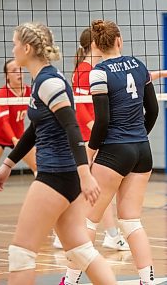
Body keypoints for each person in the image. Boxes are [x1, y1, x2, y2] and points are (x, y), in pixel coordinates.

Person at [0, 22, 116, 285]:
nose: (12, 49)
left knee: (21, 254)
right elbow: (35, 128)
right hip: (64, 175)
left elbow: (72, 126)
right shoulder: (44, 80)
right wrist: (8, 164)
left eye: (14, 43)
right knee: (81, 251)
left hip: (56, 175)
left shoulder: (48, 82)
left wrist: (85, 174)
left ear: (26, 47)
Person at [60, 19, 159, 285]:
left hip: (115, 150)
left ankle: (69, 281)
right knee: (131, 222)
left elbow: (101, 121)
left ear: (95, 45)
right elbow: (154, 110)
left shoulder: (98, 72)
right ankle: (147, 280)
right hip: (142, 150)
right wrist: (137, 137)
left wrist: (91, 152)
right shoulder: (139, 65)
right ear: (119, 40)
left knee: (87, 223)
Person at [52, 28, 129, 252]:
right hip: (89, 136)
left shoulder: (92, 69)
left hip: (95, 134)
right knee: (88, 188)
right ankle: (65, 232)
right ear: (95, 44)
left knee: (96, 188)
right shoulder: (85, 71)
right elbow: (83, 107)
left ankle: (111, 234)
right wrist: (93, 128)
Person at [0, 59, 37, 187]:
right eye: (14, 71)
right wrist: (14, 139)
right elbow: (4, 122)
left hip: (19, 136)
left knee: (40, 169)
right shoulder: (3, 93)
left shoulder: (29, 91)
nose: (19, 73)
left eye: (20, 70)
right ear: (6, 76)